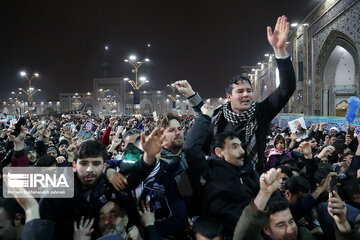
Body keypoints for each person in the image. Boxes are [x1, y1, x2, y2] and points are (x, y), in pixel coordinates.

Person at [176, 16, 296, 173]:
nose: (246, 94)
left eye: (249, 90)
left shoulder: (261, 112)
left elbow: (286, 88)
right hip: (219, 179)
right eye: (240, 91)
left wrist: (279, 51)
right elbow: (203, 115)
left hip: (251, 181)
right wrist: (191, 95)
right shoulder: (219, 116)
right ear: (229, 97)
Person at [183, 105, 259, 238]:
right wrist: (205, 117)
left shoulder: (248, 170)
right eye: (234, 147)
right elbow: (190, 148)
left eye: (240, 146)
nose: (242, 151)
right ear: (219, 152)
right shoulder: (210, 170)